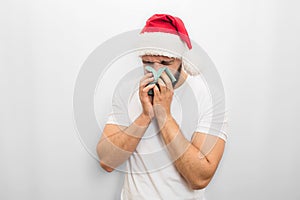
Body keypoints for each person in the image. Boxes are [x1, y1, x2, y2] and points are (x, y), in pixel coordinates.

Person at [96, 14, 228, 200]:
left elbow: (199, 178)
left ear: (183, 59)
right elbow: (106, 161)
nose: (156, 72)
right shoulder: (128, 92)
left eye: (166, 63)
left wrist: (164, 115)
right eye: (147, 63)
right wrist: (145, 116)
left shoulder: (208, 96)